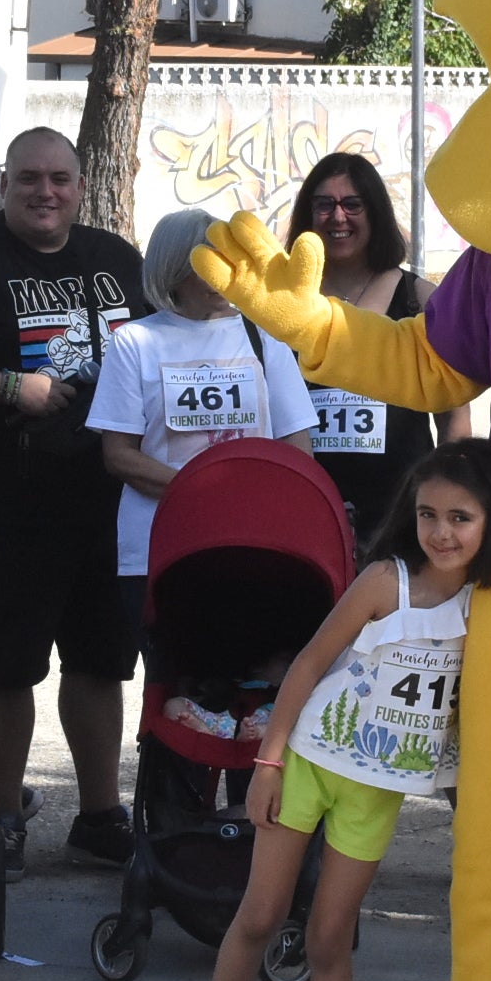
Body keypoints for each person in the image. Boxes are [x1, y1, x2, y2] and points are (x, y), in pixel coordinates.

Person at [170, 441, 491, 981]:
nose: (442, 533)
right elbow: (311, 663)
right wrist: (267, 761)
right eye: (428, 515)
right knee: (259, 915)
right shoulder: (387, 583)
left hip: (378, 790)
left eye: (461, 518)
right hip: (308, 764)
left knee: (329, 936)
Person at [0, 128, 149, 878]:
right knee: (7, 669)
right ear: (6, 186)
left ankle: (99, 813)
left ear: (80, 185)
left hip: (112, 502)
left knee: (102, 663)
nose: (46, 193)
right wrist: (14, 387)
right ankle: (3, 817)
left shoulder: (116, 260)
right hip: (12, 503)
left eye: (60, 179)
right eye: (29, 180)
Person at [89, 207, 318, 686]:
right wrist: (207, 492)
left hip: (253, 545)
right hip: (158, 547)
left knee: (253, 688)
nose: (222, 272)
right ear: (174, 265)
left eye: (230, 259)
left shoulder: (264, 336)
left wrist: (250, 500)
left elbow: (297, 449)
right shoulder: (134, 342)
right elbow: (119, 455)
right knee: (176, 690)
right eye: (207, 259)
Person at [281, 151, 471, 542]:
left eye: (353, 204)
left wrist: (446, 496)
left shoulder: (420, 297)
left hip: (403, 522)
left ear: (376, 213)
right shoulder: (283, 304)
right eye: (324, 205)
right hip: (306, 520)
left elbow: (454, 415)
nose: (338, 217)